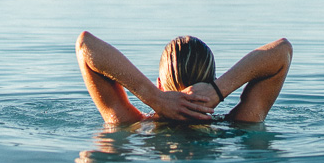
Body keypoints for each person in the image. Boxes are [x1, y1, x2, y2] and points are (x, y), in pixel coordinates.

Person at [76, 30, 292, 125]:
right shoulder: (241, 122)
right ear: (213, 79)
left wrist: (153, 97)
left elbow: (85, 44)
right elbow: (283, 51)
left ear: (159, 84)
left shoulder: (130, 123)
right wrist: (219, 90)